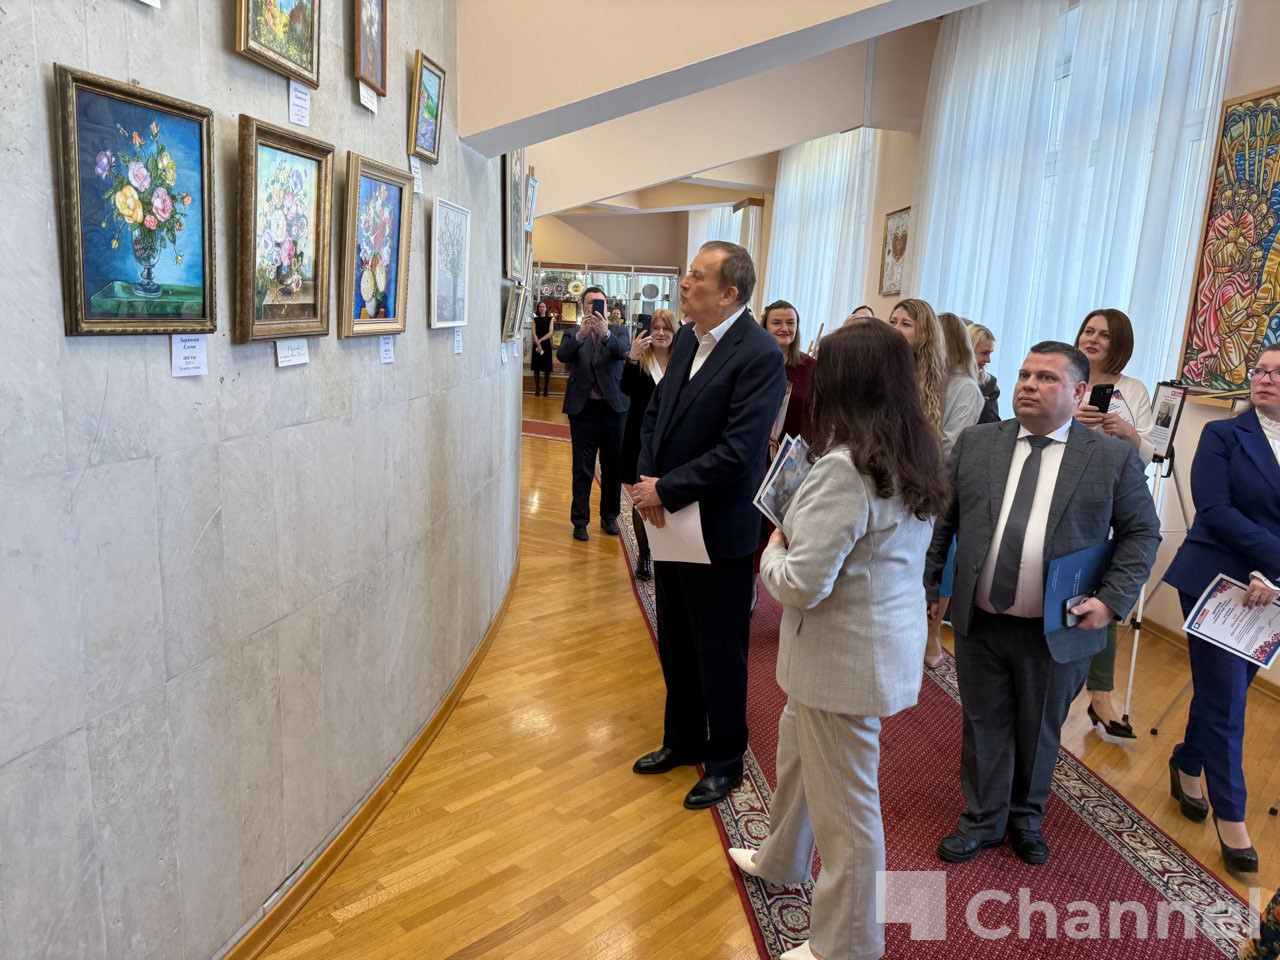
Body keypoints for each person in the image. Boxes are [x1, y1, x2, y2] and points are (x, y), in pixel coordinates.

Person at [728, 321, 949, 960]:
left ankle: (848, 943)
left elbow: (800, 584)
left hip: (843, 659)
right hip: (869, 646)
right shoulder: (913, 451)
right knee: (799, 758)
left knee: (849, 812)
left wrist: (774, 547)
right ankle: (781, 858)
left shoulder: (846, 468)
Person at [926, 341, 1160, 866]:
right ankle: (982, 819)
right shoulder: (978, 443)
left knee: (1039, 728)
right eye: (1025, 374)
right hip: (982, 619)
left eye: (1047, 378)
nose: (1029, 385)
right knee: (984, 722)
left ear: (1079, 392)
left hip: (1060, 625)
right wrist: (928, 585)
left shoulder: (1109, 457)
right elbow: (944, 521)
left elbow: (1142, 533)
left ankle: (1025, 817)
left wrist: (1110, 601)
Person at [630, 241, 787, 810]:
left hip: (717, 527)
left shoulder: (759, 353)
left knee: (719, 650)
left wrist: (666, 488)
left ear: (729, 293)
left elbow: (739, 451)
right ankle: (682, 739)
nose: (684, 283)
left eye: (697, 276)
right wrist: (647, 482)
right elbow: (655, 416)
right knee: (675, 638)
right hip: (671, 520)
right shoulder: (690, 339)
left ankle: (725, 759)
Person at [1164, 342, 1280, 877]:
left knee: (1221, 689)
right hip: (1215, 581)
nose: (1265, 378)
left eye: (1277, 373)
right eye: (1260, 370)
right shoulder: (1223, 434)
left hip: (1271, 592)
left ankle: (1188, 761)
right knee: (1228, 697)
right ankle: (1232, 817)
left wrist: (1272, 576)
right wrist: (1269, 564)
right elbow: (1214, 511)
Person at [1072, 309, 1156, 739]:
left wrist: (1127, 432)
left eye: (1103, 335)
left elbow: (1149, 455)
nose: (1092, 339)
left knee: (1106, 589)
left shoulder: (1134, 390)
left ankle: (1100, 692)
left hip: (1113, 499)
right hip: (1066, 498)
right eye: (1088, 331)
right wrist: (1071, 423)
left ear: (1119, 343)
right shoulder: (1066, 377)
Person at [924, 312, 984, 668]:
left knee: (940, 561)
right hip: (916, 480)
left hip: (940, 486)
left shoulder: (966, 388)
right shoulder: (928, 379)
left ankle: (932, 634)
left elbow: (951, 445)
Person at [556, 286, 631, 542]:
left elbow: (625, 352)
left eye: (600, 302)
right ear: (583, 306)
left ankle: (609, 516)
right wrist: (581, 335)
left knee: (613, 468)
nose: (595, 307)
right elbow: (563, 355)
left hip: (614, 410)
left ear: (607, 307)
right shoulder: (572, 333)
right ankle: (580, 521)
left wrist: (605, 333)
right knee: (582, 468)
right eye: (590, 302)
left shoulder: (619, 331)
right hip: (583, 410)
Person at [619, 309, 677, 582]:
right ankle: (644, 554)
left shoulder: (684, 361)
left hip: (672, 442)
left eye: (667, 328)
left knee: (668, 496)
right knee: (642, 498)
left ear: (675, 332)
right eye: (656, 328)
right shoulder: (641, 359)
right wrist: (632, 356)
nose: (661, 333)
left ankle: (669, 554)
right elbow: (626, 388)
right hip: (640, 439)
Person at [886, 299, 949, 436]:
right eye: (892, 322)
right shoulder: (880, 364)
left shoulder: (934, 373)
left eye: (906, 324)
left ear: (924, 333)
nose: (895, 329)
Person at [761, 299, 816, 443]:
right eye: (776, 323)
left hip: (793, 449)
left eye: (791, 323)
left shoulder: (810, 367)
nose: (784, 328)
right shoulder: (751, 362)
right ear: (765, 327)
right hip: (754, 446)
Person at [969, 322, 1001, 423]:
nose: (988, 360)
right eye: (984, 353)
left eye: (989, 353)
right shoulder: (943, 377)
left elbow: (993, 425)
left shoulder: (989, 384)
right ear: (968, 349)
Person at [530, 300, 555, 397]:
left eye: (543, 306)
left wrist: (540, 340)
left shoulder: (550, 319)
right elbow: (533, 332)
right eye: (540, 307)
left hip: (546, 345)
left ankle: (545, 389)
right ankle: (537, 389)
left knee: (547, 368)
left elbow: (551, 333)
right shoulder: (535, 319)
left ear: (546, 308)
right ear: (538, 308)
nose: (541, 308)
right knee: (536, 368)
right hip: (537, 345)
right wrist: (537, 342)